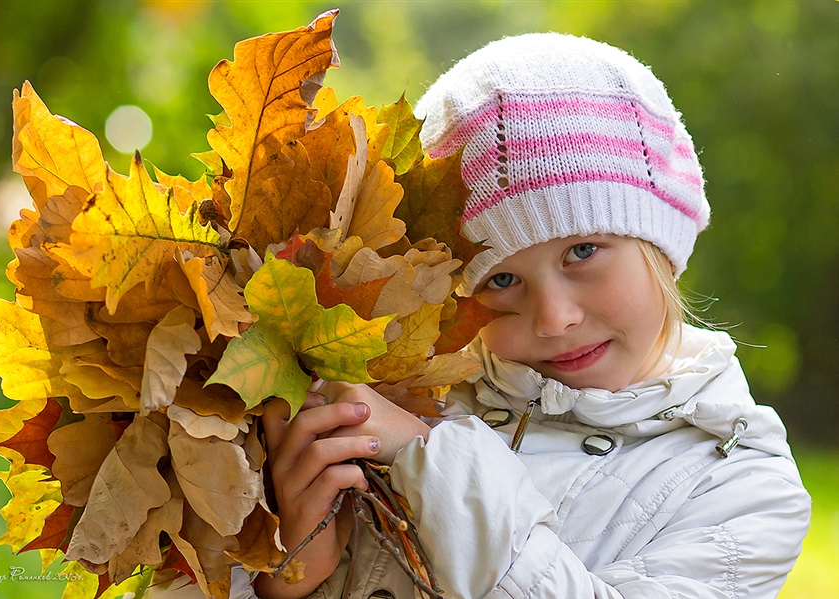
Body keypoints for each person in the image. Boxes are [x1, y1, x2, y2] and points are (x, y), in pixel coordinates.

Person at [254, 32, 811, 599]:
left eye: (583, 252)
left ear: (658, 243)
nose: (554, 318)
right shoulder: (400, 400)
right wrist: (288, 575)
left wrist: (437, 462)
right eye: (500, 281)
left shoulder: (742, 489)